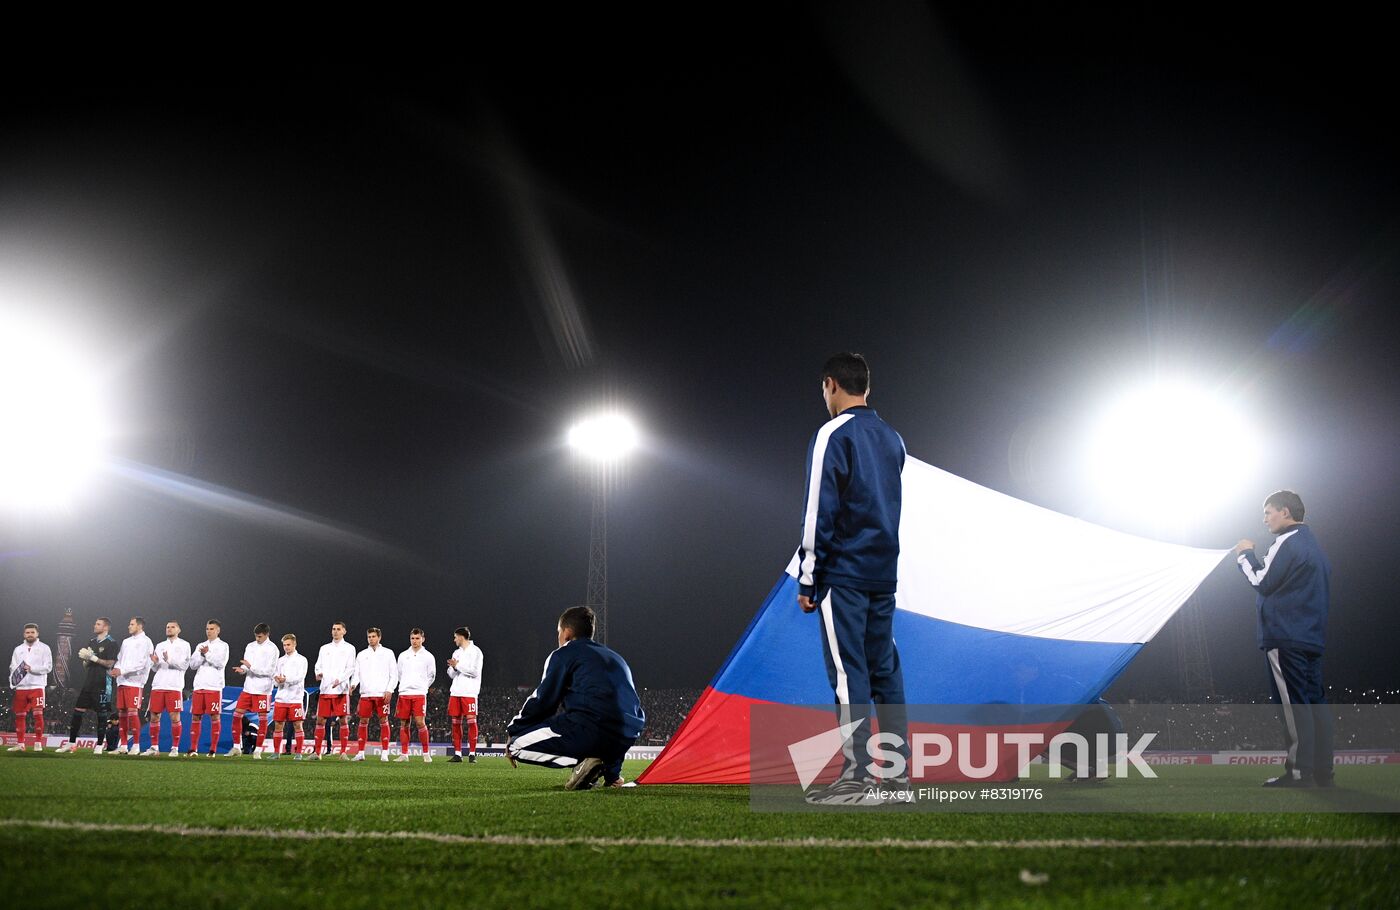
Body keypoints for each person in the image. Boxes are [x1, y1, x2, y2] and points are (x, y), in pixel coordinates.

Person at [794, 353, 909, 804]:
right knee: (886, 673)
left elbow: (818, 511)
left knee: (848, 675)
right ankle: (897, 778)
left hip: (844, 574)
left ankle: (856, 777)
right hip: (884, 574)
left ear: (830, 385)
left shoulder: (833, 433)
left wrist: (808, 579)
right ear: (867, 387)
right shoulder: (893, 438)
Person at [1234, 490, 1334, 788]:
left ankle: (1299, 772)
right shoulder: (1314, 547)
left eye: (1268, 512)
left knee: (1293, 706)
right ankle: (1322, 772)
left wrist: (1244, 555)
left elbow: (1261, 581)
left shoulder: (1286, 542)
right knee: (1316, 705)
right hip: (1310, 637)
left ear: (1286, 512)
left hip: (1286, 637)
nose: (1265, 519)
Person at [505, 606, 645, 790]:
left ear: (567, 633)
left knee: (515, 746)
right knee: (613, 719)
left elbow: (543, 701)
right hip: (627, 735)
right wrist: (613, 774)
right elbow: (622, 710)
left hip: (591, 729)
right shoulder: (617, 658)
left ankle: (584, 762)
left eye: (558, 632)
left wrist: (514, 730)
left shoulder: (564, 654)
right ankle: (609, 774)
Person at [58, 617, 119, 754]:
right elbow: (89, 665)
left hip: (103, 682)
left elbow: (110, 663)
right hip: (88, 682)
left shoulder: (112, 643)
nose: (94, 625)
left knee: (101, 715)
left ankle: (99, 745)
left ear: (106, 627)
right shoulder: (92, 642)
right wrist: (86, 661)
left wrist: (94, 658)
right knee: (77, 711)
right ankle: (71, 743)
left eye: (98, 624)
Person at [226, 623, 278, 757]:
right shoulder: (250, 646)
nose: (257, 639)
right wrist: (243, 670)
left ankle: (258, 750)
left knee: (262, 719)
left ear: (267, 635)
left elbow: (269, 671)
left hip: (263, 689)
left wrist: (251, 667)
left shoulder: (273, 649)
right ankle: (237, 748)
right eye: (256, 636)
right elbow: (247, 665)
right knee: (237, 715)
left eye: (260, 636)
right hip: (248, 688)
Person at [107, 617, 154, 755]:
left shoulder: (146, 641)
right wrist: (117, 669)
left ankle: (136, 746)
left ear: (139, 626)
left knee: (133, 712)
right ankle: (123, 746)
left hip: (135, 682)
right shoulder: (126, 642)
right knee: (121, 713)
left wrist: (122, 670)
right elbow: (120, 659)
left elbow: (143, 663)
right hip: (122, 681)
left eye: (131, 624)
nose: (129, 626)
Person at [144, 621, 191, 756]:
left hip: (174, 685)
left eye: (172, 627)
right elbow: (155, 668)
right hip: (158, 684)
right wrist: (155, 662)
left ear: (179, 630)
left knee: (174, 717)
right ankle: (154, 748)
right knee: (154, 717)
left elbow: (184, 666)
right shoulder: (159, 645)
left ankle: (175, 748)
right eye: (167, 627)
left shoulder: (184, 645)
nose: (169, 629)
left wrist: (169, 660)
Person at [350, 627, 397, 762]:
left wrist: (390, 689)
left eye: (373, 636)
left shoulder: (388, 653)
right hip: (365, 694)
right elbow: (356, 674)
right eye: (369, 637)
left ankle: (384, 753)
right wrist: (353, 684)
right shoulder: (362, 654)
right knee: (363, 721)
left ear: (379, 637)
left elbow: (394, 674)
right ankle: (360, 753)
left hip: (382, 693)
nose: (371, 639)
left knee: (384, 721)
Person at [312, 621, 357, 759]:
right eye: (333, 629)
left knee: (343, 720)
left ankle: (343, 753)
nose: (335, 631)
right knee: (320, 721)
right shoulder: (324, 648)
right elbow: (318, 665)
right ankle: (317, 752)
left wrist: (341, 679)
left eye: (338, 629)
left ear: (344, 631)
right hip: (325, 689)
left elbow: (351, 668)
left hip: (341, 690)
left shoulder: (349, 648)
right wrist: (318, 673)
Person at [8, 624, 53, 752]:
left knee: (38, 715)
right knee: (20, 716)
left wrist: (32, 669)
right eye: (27, 632)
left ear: (37, 634)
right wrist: (13, 682)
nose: (30, 634)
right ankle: (20, 744)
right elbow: (12, 667)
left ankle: (38, 742)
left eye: (32, 632)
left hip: (37, 686)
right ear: (24, 634)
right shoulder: (18, 649)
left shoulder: (44, 648)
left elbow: (48, 667)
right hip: (21, 687)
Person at [187, 620, 229, 757]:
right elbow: (192, 665)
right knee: (196, 716)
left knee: (214, 716)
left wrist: (207, 655)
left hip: (214, 686)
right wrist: (201, 655)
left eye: (212, 629)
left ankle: (213, 750)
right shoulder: (200, 645)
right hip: (199, 685)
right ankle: (193, 749)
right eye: (207, 628)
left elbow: (220, 663)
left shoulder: (223, 646)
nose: (208, 631)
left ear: (218, 630)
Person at [394, 629, 435, 763]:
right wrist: (406, 685)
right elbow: (399, 674)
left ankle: (425, 753)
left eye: (417, 638)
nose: (415, 641)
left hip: (419, 694)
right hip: (405, 693)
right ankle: (404, 754)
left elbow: (431, 675)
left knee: (419, 722)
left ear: (423, 639)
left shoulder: (428, 656)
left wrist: (423, 687)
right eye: (412, 638)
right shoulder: (403, 655)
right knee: (404, 723)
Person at [446, 626, 484, 763]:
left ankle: (472, 754)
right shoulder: (456, 652)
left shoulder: (476, 652)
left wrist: (457, 666)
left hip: (469, 691)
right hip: (456, 691)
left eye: (455, 637)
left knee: (471, 721)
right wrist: (452, 668)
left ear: (461, 637)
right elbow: (451, 674)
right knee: (455, 723)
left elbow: (475, 672)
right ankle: (457, 754)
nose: (454, 639)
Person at [269, 634, 308, 760]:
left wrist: (286, 679)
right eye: (284, 645)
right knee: (278, 725)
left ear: (294, 644)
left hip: (295, 698)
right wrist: (277, 680)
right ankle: (276, 753)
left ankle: (298, 753)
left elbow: (300, 677)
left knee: (297, 725)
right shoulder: (280, 661)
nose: (286, 647)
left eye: (288, 644)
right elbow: (275, 678)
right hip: (281, 698)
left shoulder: (302, 660)